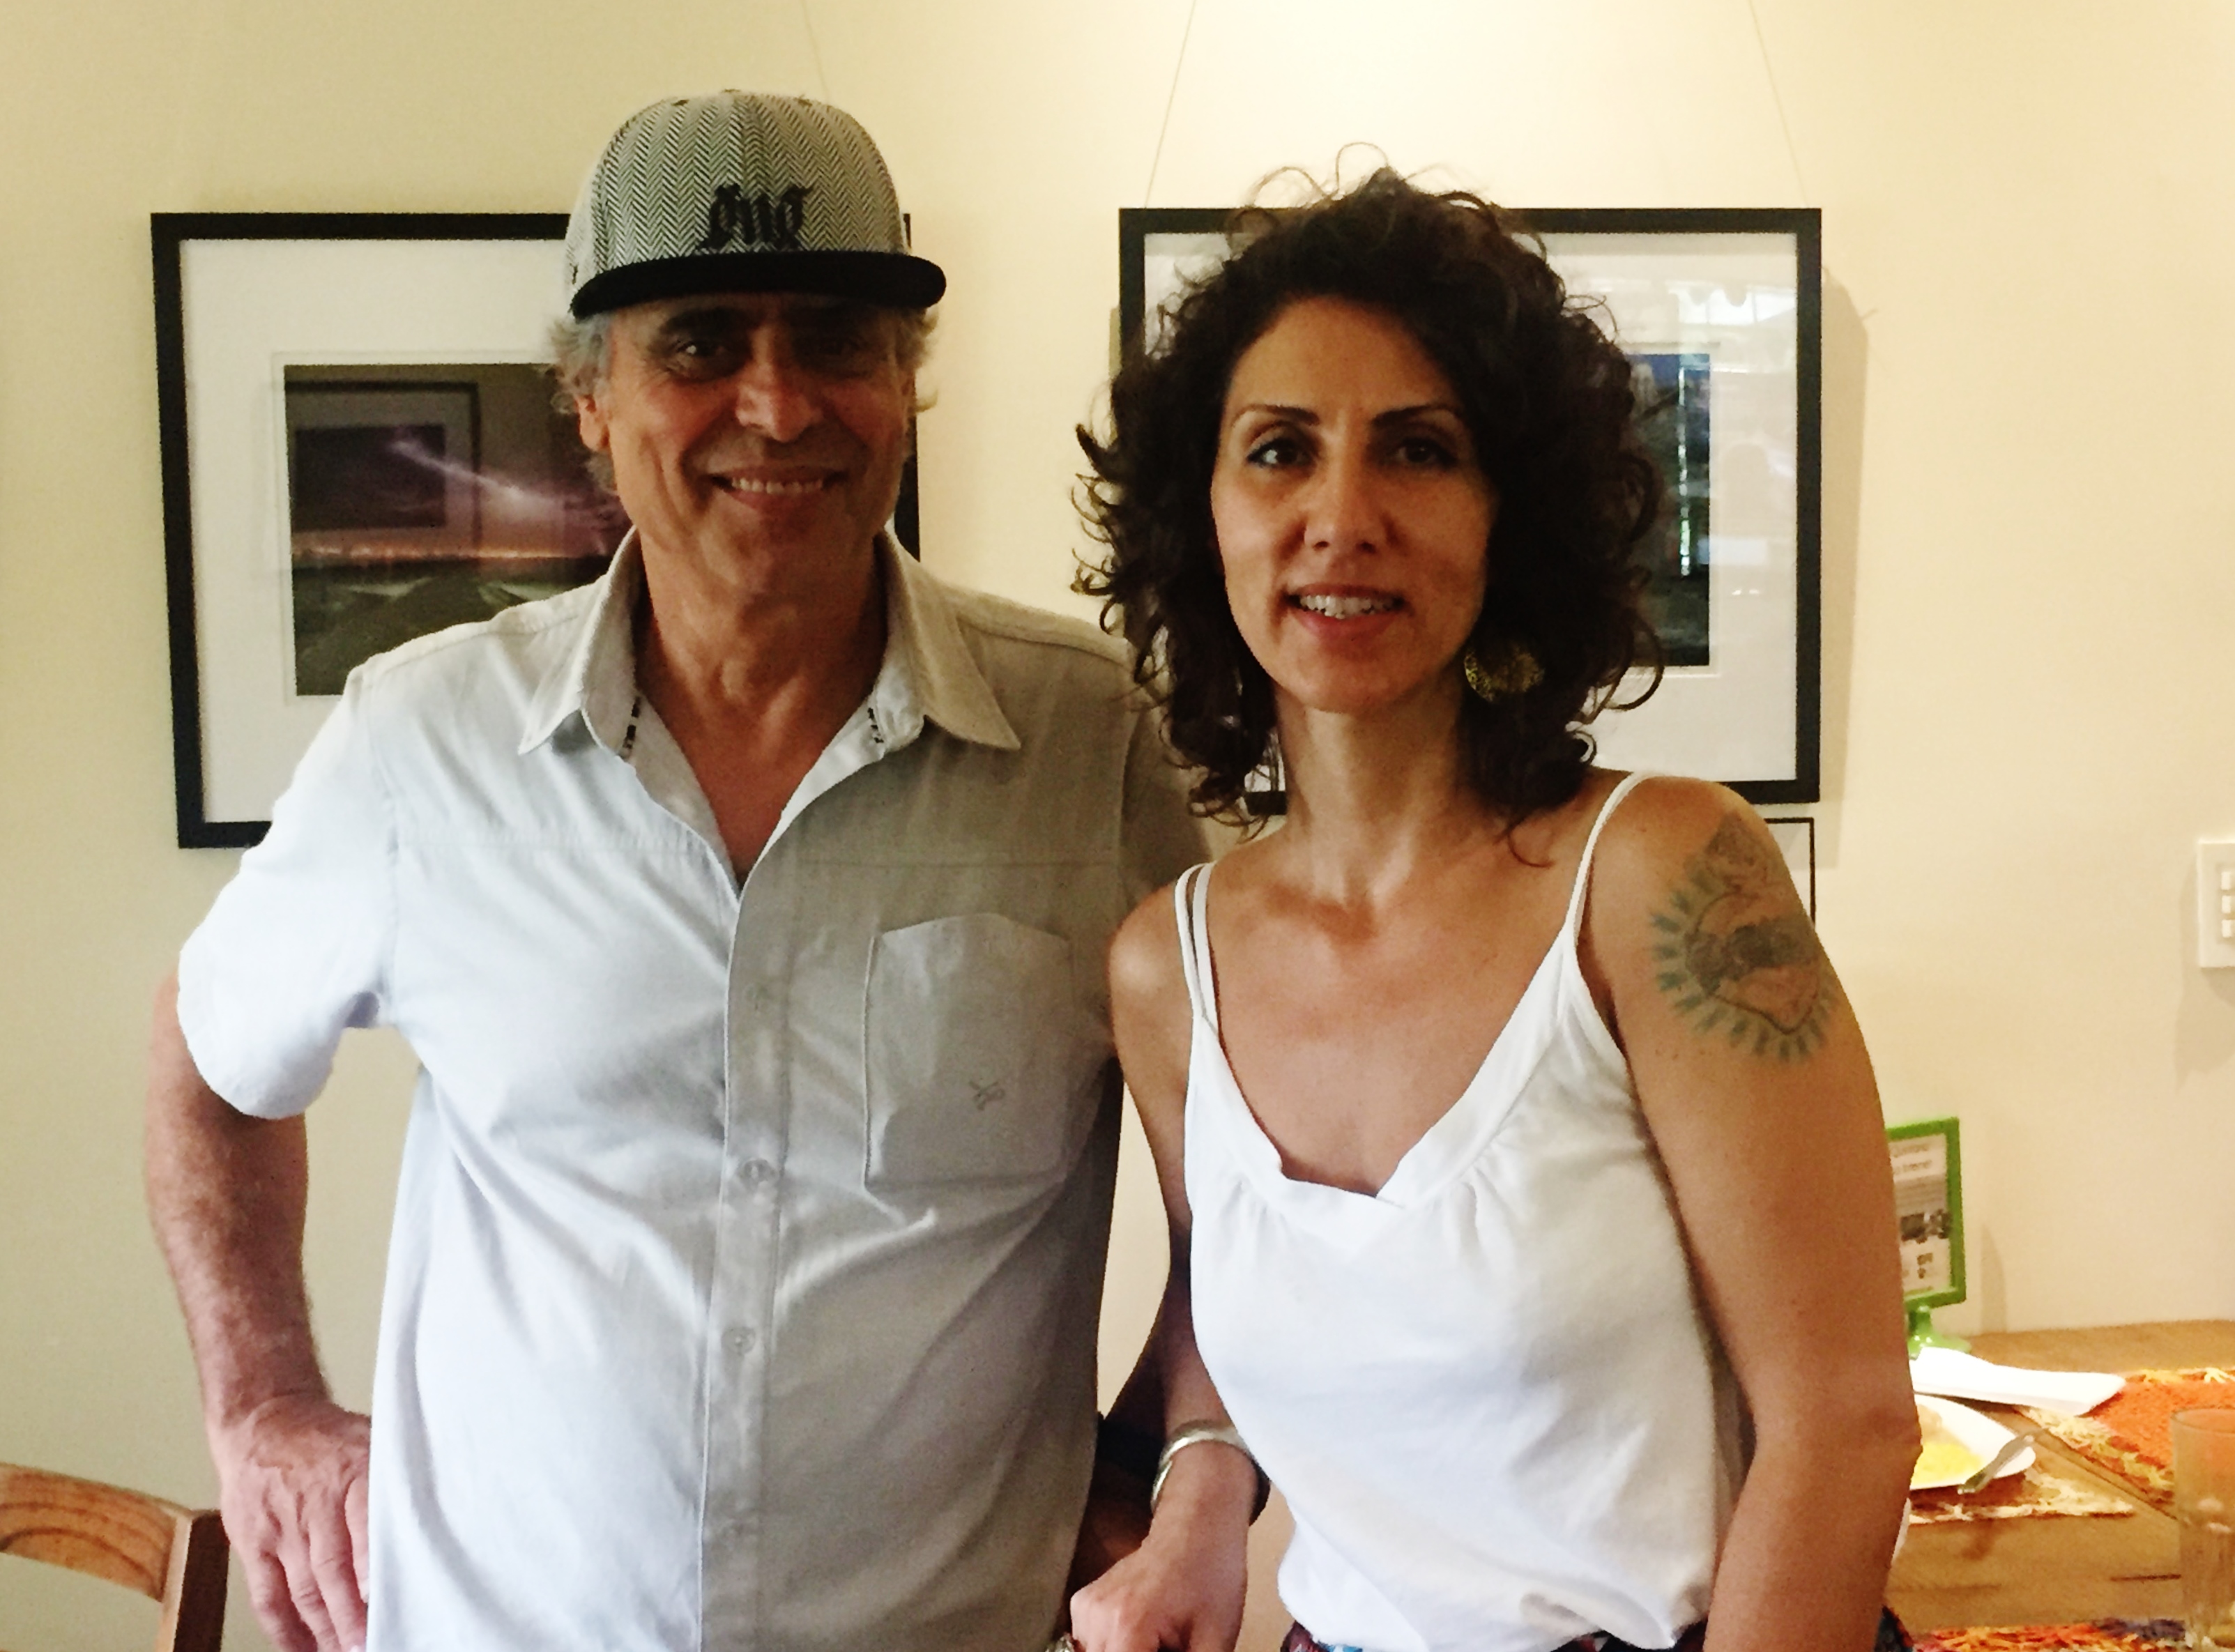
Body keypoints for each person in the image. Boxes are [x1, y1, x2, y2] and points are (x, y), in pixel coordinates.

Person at [144, 91, 1205, 1652]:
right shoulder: (421, 742)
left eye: (836, 341)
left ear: (904, 387)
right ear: (591, 398)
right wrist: (264, 1406)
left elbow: (1250, 1181)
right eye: (701, 342)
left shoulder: (1087, 738)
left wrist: (1154, 1463)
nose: (776, 406)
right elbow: (209, 1055)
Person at [1064, 171, 1920, 1652]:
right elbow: (1239, 1295)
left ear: (1507, 515)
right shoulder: (1167, 966)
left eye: (1419, 450)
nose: (1341, 517)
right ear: (1203, 513)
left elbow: (1842, 1425)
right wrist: (1195, 1512)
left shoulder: (1659, 876)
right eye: (1278, 450)